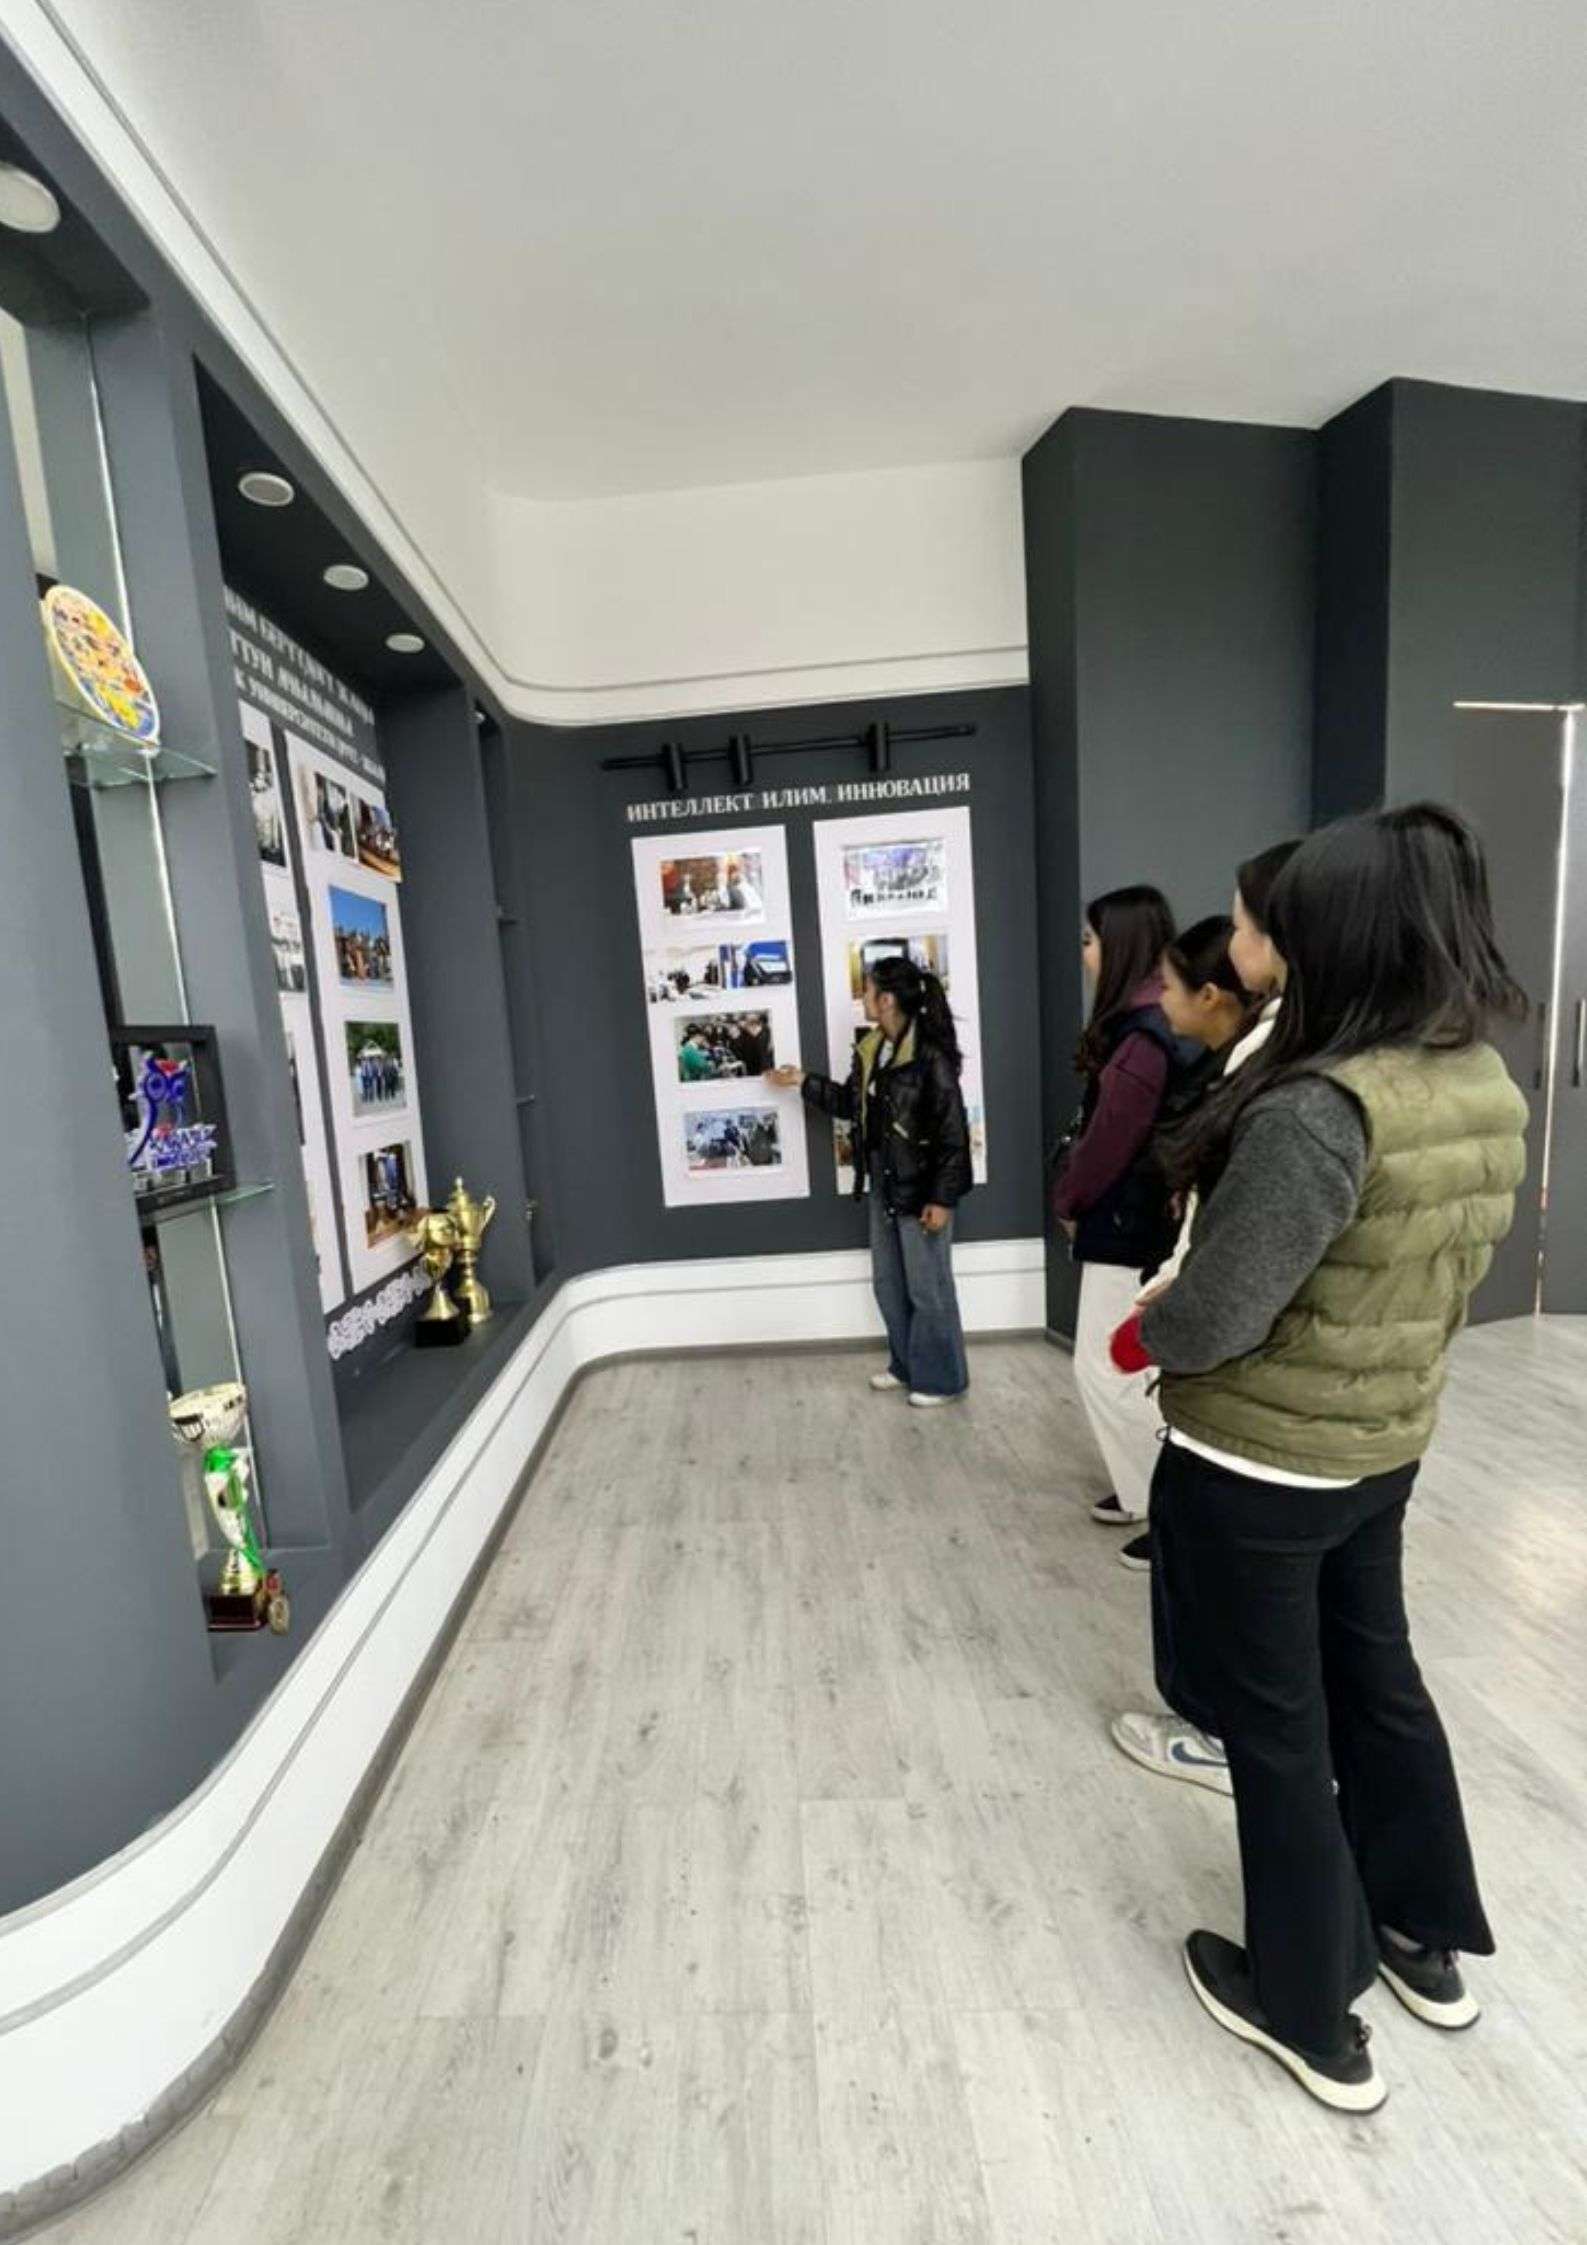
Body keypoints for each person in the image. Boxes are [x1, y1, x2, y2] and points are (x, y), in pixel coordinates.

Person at [1106, 805, 1527, 2113]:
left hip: (1261, 1462)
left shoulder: (1316, 1108)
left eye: (1275, 924)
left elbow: (1217, 1314)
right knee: (1378, 1682)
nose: (1257, 946)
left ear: (1338, 936)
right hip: (1382, 1444)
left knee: (1277, 1730)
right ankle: (1419, 1931)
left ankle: (1307, 2012)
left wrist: (1156, 1326)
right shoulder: (1477, 1076)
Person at [769, 955, 972, 1404]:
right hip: (884, 1182)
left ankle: (942, 1381)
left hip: (921, 1189)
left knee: (928, 1287)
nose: (862, 997)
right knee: (888, 1283)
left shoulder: (930, 1058)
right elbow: (850, 1103)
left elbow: (953, 1135)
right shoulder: (873, 1050)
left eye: (868, 989)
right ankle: (907, 1365)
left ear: (887, 1000)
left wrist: (941, 1199)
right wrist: (801, 1081)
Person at [1051, 884, 1182, 1527]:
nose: (1085, 953)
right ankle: (1142, 1494)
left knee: (1108, 1365)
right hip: (1139, 1221)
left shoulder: (1143, 1038)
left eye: (1090, 940)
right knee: (1123, 1365)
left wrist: (1068, 1197)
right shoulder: (1153, 1026)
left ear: (1121, 945)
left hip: (1127, 1225)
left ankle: (1165, 1511)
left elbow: (1109, 1143)